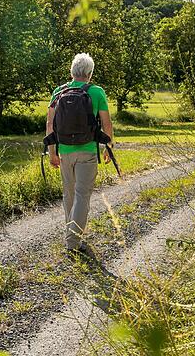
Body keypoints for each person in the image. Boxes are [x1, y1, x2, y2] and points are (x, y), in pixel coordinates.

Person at [46, 53, 114, 254]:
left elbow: (50, 123)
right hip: (87, 151)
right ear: (90, 73)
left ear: (72, 71)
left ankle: (72, 237)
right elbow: (107, 124)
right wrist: (107, 147)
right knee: (82, 195)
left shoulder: (58, 92)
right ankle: (73, 242)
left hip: (65, 151)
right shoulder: (97, 92)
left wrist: (52, 152)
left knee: (69, 194)